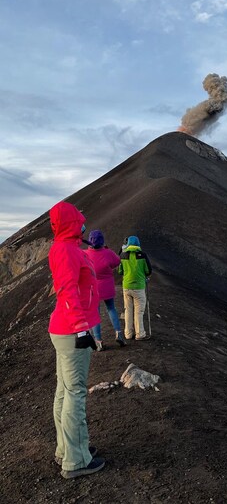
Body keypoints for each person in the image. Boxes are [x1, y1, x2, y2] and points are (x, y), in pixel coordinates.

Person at [48, 201, 105, 479]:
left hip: (65, 328)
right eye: (80, 220)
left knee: (64, 390)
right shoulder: (66, 251)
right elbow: (67, 290)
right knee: (75, 393)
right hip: (71, 331)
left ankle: (67, 449)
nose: (84, 223)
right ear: (72, 223)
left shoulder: (68, 248)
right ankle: (77, 460)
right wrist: (83, 329)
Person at [85, 229, 126, 350]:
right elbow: (117, 262)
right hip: (107, 286)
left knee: (95, 313)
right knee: (111, 308)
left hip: (92, 288)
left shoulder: (85, 254)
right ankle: (119, 333)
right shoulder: (108, 253)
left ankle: (98, 341)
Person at [118, 235, 152, 340]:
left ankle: (128, 334)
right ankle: (140, 334)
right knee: (139, 311)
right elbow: (148, 271)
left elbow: (120, 271)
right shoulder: (143, 255)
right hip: (139, 287)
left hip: (127, 286)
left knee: (128, 310)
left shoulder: (123, 255)